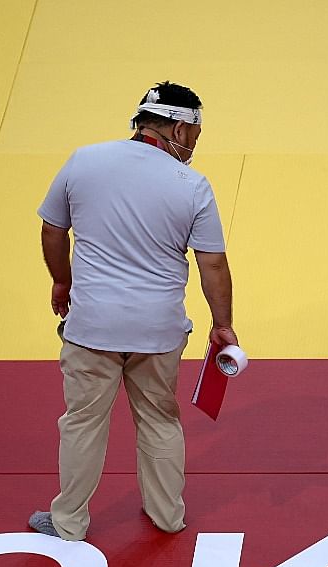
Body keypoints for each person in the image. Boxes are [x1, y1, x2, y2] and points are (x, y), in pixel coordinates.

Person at [28, 81, 237, 541]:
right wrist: (223, 326)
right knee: (161, 420)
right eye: (196, 136)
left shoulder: (84, 160)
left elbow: (51, 229)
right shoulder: (193, 185)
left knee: (83, 422)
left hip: (93, 324)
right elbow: (213, 263)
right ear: (181, 127)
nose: (195, 147)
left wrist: (62, 280)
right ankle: (167, 516)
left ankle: (67, 524)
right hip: (158, 330)